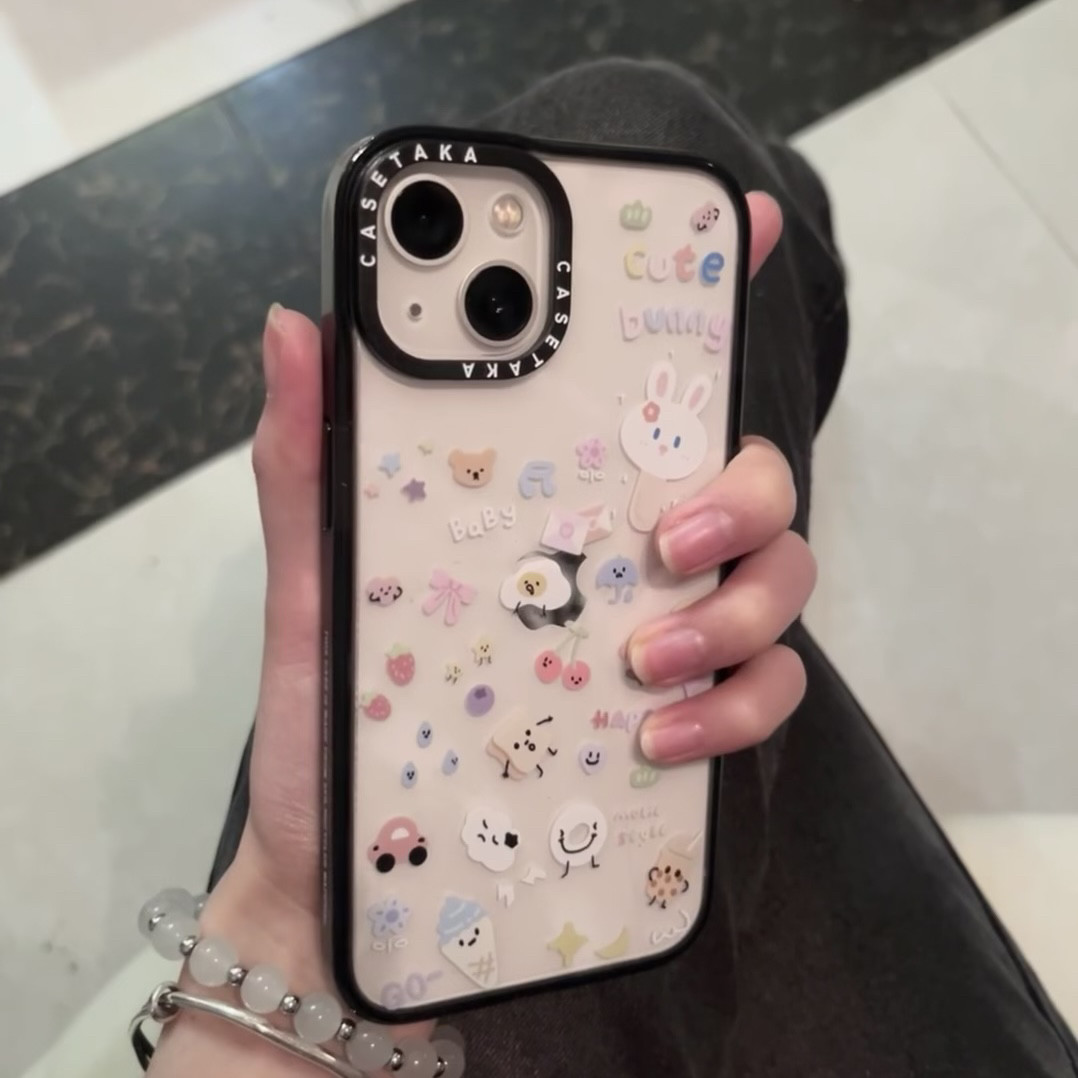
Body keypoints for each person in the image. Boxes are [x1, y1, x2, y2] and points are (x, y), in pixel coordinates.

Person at [148, 61, 1078, 1077]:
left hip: (413, 957)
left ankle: (799, 245)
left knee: (661, 156)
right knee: (659, 139)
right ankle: (804, 247)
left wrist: (284, 927)